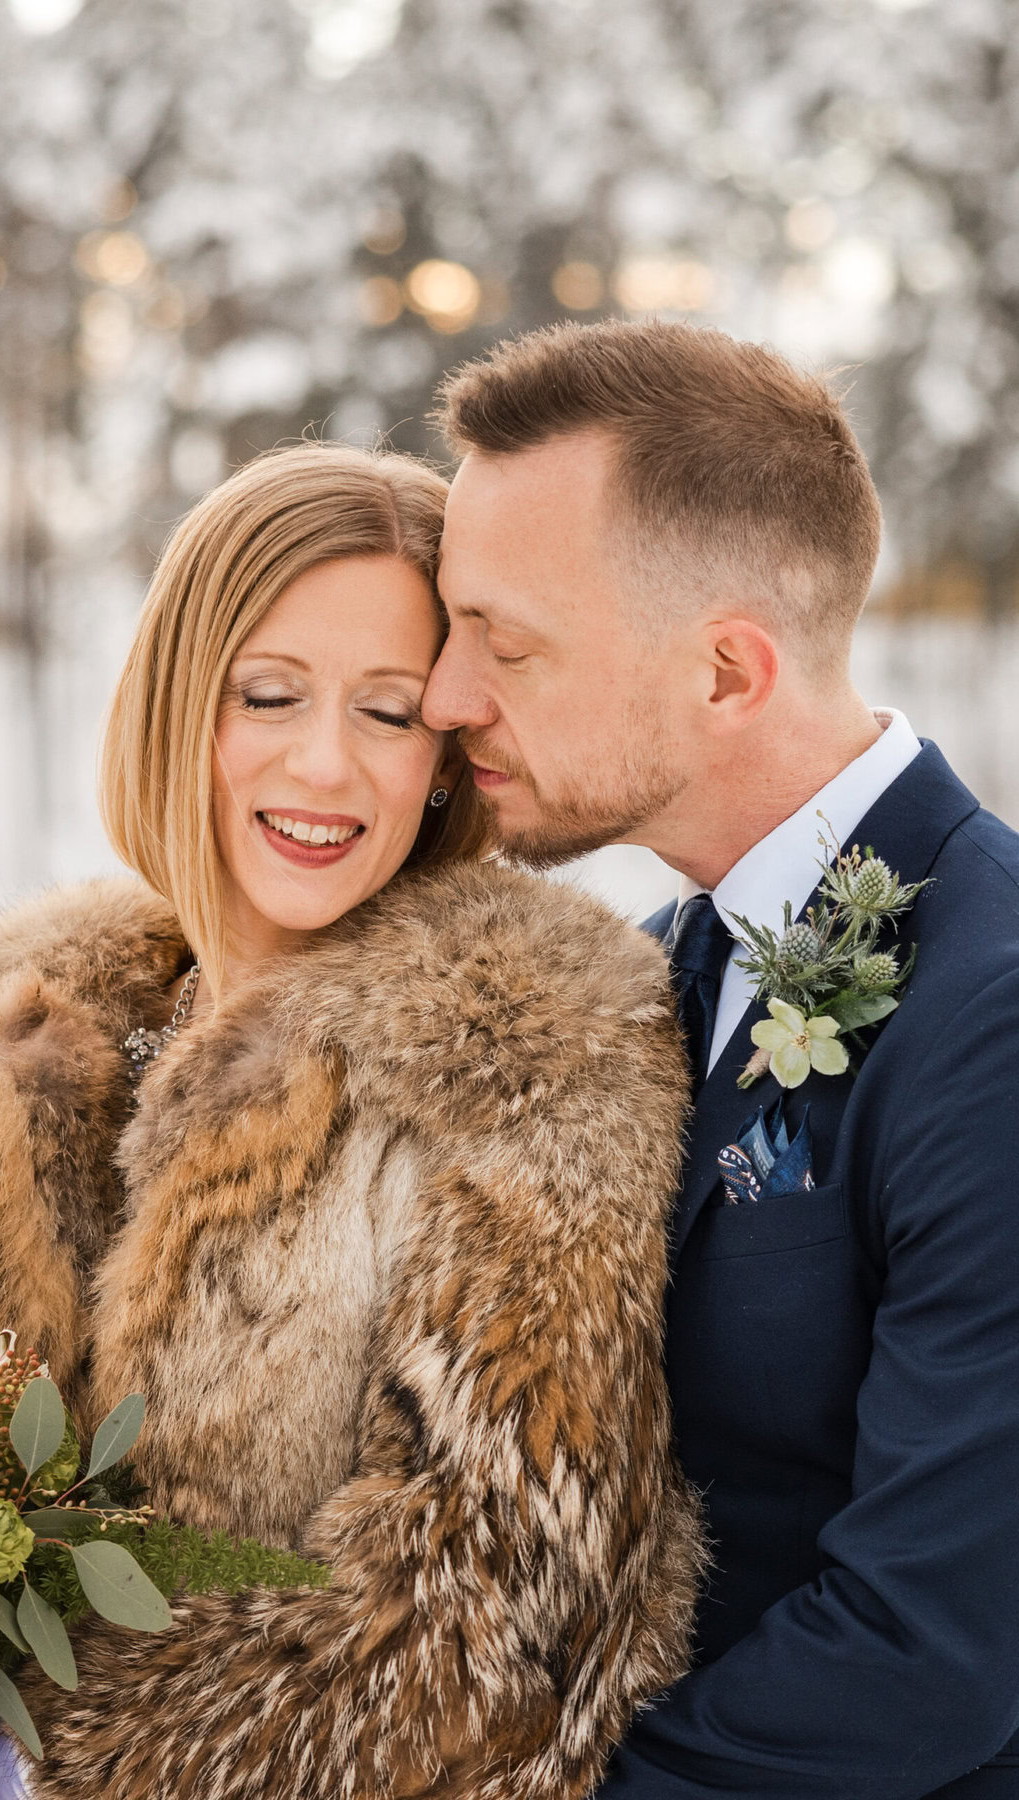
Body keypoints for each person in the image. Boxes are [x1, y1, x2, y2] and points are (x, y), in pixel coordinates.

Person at [0, 441, 703, 1799]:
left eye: (390, 711)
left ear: (444, 755)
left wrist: (54, 1770)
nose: (324, 765)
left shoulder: (521, 1066)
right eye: (270, 693)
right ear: (181, 706)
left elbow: (497, 1637)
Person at [425, 317, 1019, 1799]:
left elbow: (933, 1651)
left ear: (728, 674)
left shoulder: (992, 1018)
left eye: (504, 640)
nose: (444, 697)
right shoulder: (675, 963)